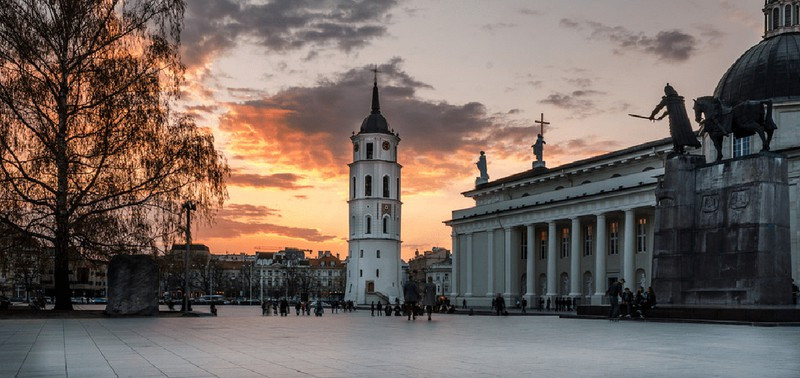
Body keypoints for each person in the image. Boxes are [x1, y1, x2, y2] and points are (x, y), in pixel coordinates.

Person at [649, 83, 701, 155]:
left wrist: (652, 115)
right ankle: (681, 150)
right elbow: (670, 110)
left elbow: (658, 108)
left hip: (674, 120)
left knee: (675, 134)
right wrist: (662, 116)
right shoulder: (679, 100)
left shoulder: (667, 100)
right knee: (683, 133)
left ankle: (677, 150)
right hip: (683, 120)